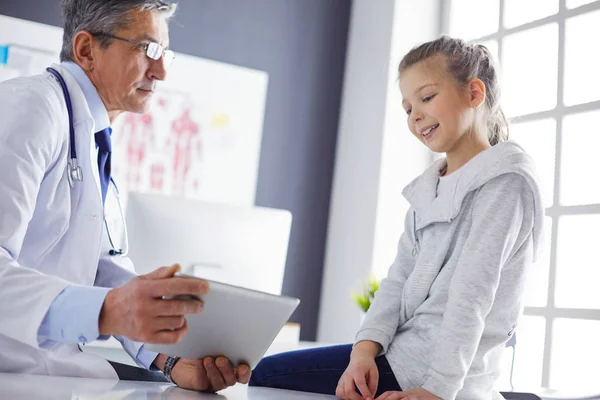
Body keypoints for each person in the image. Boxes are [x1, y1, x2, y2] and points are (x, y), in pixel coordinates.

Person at [249, 35, 544, 400]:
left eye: (427, 97)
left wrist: (436, 390)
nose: (415, 114)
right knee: (267, 374)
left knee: (265, 376)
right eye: (407, 108)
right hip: (403, 356)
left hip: (440, 374)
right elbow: (397, 282)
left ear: (474, 94)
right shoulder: (426, 190)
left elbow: (473, 294)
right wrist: (363, 351)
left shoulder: (506, 182)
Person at [0, 0, 250, 391]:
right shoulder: (31, 109)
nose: (163, 70)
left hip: (57, 374)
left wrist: (169, 359)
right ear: (86, 50)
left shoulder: (93, 136)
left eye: (165, 53)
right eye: (148, 49)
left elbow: (100, 267)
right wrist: (106, 310)